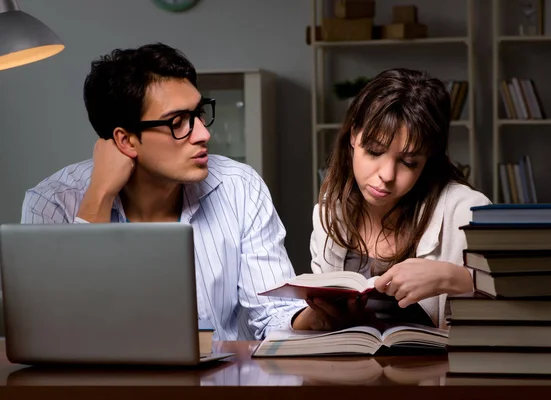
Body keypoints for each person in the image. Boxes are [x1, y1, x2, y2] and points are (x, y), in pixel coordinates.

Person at [20, 42, 321, 339]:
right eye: (178, 122)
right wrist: (99, 197)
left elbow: (272, 312)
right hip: (99, 386)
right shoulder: (52, 202)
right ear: (125, 141)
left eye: (200, 113)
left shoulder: (239, 186)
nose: (204, 133)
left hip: (220, 383)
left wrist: (315, 317)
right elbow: (56, 330)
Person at [293, 68, 491, 332]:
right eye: (374, 151)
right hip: (347, 369)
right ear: (353, 136)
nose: (386, 175)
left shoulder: (467, 211)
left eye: (409, 162)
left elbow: (524, 296)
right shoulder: (330, 213)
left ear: (428, 160)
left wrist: (453, 278)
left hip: (438, 372)